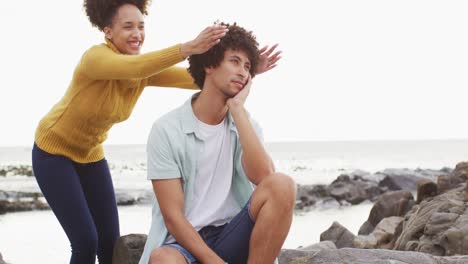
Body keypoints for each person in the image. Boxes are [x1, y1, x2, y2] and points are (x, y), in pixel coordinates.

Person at [31, 0, 280, 263]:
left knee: (108, 241)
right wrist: (188, 48)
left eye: (141, 26)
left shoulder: (143, 72)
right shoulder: (94, 59)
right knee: (85, 240)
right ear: (107, 31)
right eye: (128, 27)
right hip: (53, 152)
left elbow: (202, 79)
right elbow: (133, 67)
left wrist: (244, 71)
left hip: (91, 155)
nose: (137, 33)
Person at [140, 22, 296, 264]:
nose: (243, 72)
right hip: (186, 244)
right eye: (234, 61)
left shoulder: (246, 124)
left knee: (283, 184)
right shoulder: (166, 130)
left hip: (234, 233)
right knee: (163, 260)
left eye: (247, 66)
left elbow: (266, 178)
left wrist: (237, 110)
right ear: (210, 64)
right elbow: (173, 218)